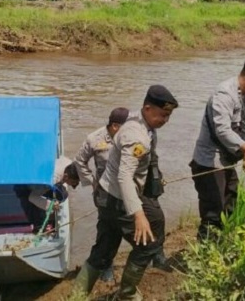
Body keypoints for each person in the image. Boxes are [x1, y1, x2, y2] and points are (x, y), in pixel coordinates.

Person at [73, 85, 178, 300]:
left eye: (168, 116)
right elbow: (124, 177)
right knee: (148, 245)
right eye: (162, 115)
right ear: (147, 108)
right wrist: (138, 215)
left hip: (107, 195)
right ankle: (127, 294)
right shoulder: (135, 137)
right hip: (118, 198)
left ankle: (76, 296)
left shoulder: (138, 119)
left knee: (104, 249)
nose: (165, 120)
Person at [190, 55, 245, 240]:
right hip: (209, 163)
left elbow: (240, 128)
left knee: (232, 204)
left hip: (225, 161)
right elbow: (222, 130)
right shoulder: (224, 95)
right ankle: (204, 256)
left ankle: (221, 247)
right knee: (213, 213)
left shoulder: (244, 96)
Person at [74, 107, 130, 282]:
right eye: (126, 127)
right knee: (107, 228)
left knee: (131, 224)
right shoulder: (95, 139)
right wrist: (92, 182)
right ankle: (105, 265)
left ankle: (145, 258)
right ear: (114, 126)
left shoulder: (130, 138)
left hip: (127, 190)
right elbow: (80, 160)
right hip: (104, 192)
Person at [14, 157, 80, 232]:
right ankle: (39, 228)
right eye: (73, 183)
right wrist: (50, 205)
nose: (74, 186)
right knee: (36, 217)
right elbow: (33, 197)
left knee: (62, 195)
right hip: (25, 186)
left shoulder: (69, 164)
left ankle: (51, 217)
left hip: (40, 176)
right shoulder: (51, 180)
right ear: (66, 176)